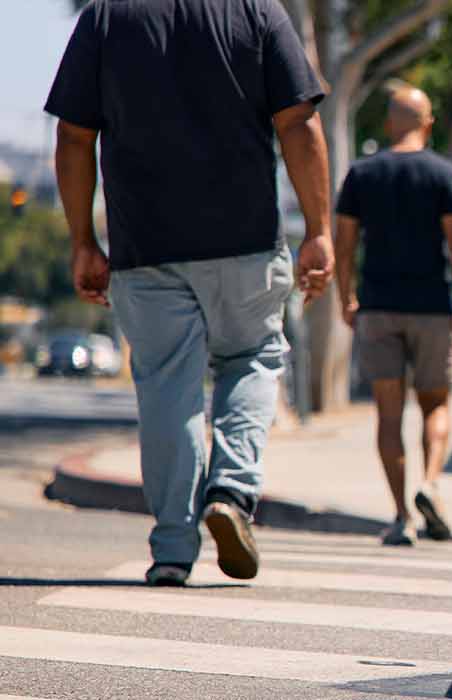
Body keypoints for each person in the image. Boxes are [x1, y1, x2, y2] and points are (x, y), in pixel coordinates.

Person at [47, 0, 333, 586]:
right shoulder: (257, 11)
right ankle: (231, 490)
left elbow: (75, 137)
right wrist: (320, 231)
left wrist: (83, 241)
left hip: (145, 248)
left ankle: (173, 549)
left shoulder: (107, 17)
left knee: (168, 387)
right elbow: (299, 123)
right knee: (252, 357)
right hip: (244, 244)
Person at [334, 87, 452, 547]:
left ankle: (401, 516)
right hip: (433, 308)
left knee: (388, 414)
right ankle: (430, 483)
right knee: (436, 405)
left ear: (388, 125)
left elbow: (344, 244)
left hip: (378, 307)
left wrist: (347, 297)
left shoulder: (361, 174)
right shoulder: (443, 174)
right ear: (429, 123)